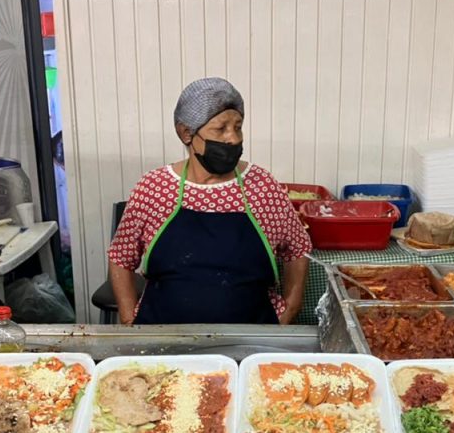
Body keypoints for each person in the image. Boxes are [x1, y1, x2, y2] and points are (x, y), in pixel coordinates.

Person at [108, 77, 311, 325]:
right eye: (221, 128)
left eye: (238, 127)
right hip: (163, 336)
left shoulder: (262, 186)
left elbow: (298, 248)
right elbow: (120, 257)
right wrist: (129, 318)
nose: (233, 139)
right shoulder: (154, 188)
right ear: (186, 133)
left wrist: (289, 309)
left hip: (253, 336)